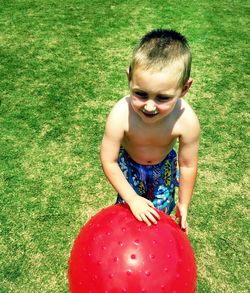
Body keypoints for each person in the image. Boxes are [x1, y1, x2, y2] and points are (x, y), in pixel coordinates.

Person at [100, 29, 200, 234]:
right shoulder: (121, 114)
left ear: (184, 89)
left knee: (157, 220)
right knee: (129, 214)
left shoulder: (186, 120)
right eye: (141, 94)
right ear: (129, 79)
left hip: (162, 172)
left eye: (162, 98)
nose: (150, 106)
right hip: (129, 169)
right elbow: (108, 160)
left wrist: (183, 203)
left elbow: (188, 165)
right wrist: (132, 198)